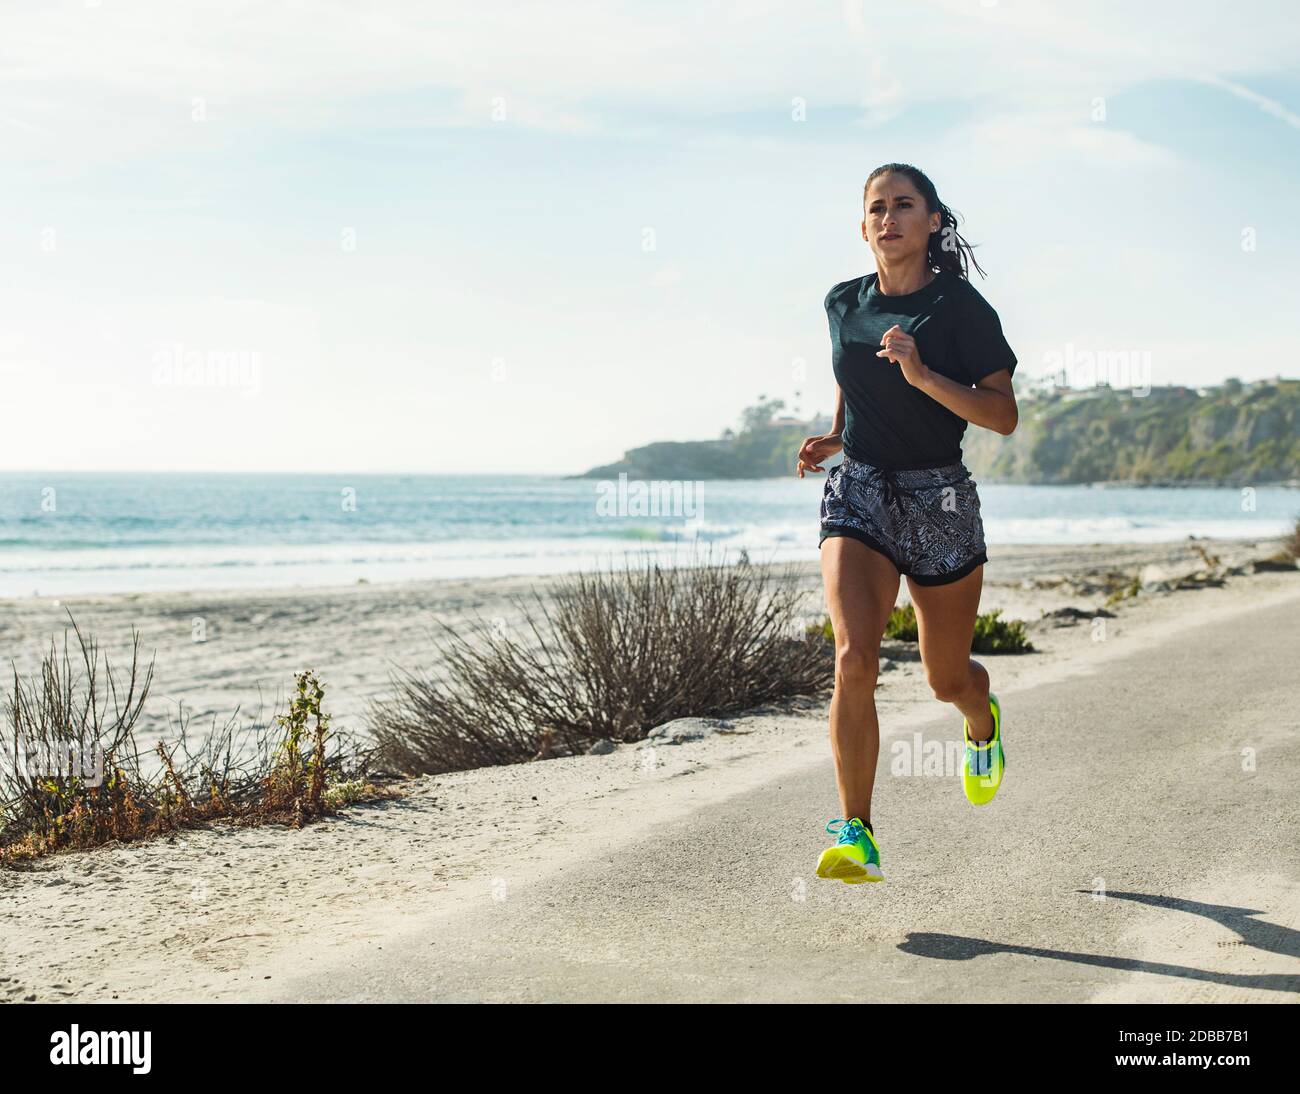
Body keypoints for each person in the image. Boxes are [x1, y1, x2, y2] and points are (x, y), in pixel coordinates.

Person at [795, 163, 1018, 884]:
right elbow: (851, 372)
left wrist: (923, 378)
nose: (889, 218)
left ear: (931, 222)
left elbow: (1002, 416)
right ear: (864, 226)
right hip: (858, 491)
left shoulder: (961, 310)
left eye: (904, 206)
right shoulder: (842, 301)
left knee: (945, 679)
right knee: (855, 659)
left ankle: (981, 726)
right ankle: (856, 832)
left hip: (940, 502)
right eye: (877, 208)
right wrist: (838, 433)